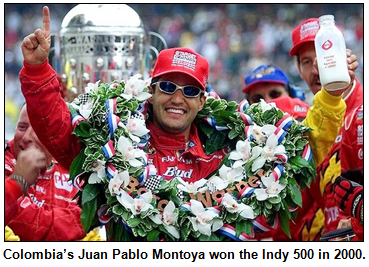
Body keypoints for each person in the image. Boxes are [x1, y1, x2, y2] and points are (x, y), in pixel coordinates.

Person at [20, 6, 349, 240]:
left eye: (190, 90)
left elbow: (305, 143)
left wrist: (333, 96)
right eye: (167, 86)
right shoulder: (112, 143)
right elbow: (60, 132)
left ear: (203, 100)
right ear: (150, 91)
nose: (178, 98)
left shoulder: (231, 148)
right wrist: (37, 71)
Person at [276, 17, 363, 241]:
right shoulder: (303, 130)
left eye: (323, 57)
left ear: (345, 56)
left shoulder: (362, 110)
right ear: (298, 69)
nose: (317, 69)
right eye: (307, 62)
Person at [5, 104, 101, 241]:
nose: (26, 137)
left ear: (56, 138)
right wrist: (90, 217)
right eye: (22, 127)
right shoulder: (6, 163)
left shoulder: (76, 170)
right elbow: (30, 227)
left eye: (38, 131)